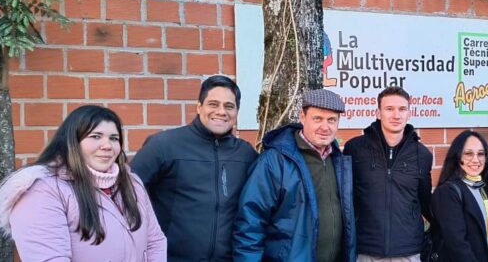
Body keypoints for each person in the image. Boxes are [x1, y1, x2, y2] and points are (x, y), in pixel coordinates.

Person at [0, 105, 167, 261]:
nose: (107, 145)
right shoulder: (42, 191)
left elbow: (155, 241)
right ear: (72, 142)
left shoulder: (131, 182)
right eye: (96, 136)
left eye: (114, 138)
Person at [132, 75, 258, 261]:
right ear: (199, 107)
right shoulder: (164, 145)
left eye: (229, 106)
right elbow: (126, 193)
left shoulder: (245, 154)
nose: (221, 111)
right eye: (213, 104)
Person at [234, 89, 356, 261]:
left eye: (331, 120)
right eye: (317, 119)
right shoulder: (275, 161)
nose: (325, 127)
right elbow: (250, 224)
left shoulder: (338, 159)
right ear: (302, 117)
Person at [343, 87, 434, 262]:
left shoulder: (422, 155)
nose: (396, 115)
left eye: (402, 109)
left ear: (409, 113)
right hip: (366, 250)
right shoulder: (355, 149)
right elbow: (347, 198)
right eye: (389, 109)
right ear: (378, 113)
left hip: (408, 251)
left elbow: (425, 202)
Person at [430, 130, 488, 262]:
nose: (475, 160)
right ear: (458, 157)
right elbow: (458, 245)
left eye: (480, 154)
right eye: (468, 154)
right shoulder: (447, 193)